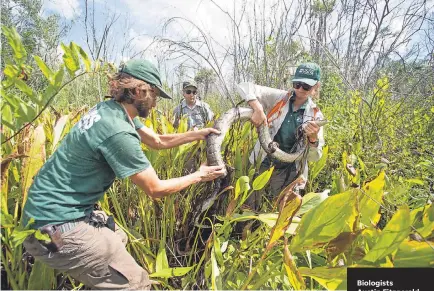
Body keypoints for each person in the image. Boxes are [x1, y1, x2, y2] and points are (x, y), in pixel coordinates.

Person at [22, 59, 225, 290]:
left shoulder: (109, 109)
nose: (156, 103)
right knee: (137, 283)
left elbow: (157, 140)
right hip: (57, 226)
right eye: (155, 95)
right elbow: (155, 189)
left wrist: (198, 134)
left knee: (119, 238)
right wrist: (199, 175)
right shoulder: (118, 131)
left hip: (43, 214)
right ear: (139, 91)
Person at [236, 62, 325, 209]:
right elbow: (244, 86)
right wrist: (258, 108)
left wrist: (313, 139)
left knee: (283, 212)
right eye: (297, 84)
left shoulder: (316, 115)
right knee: (249, 204)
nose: (300, 89)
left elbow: (315, 157)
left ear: (316, 87)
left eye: (306, 86)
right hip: (262, 162)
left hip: (289, 171)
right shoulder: (279, 98)